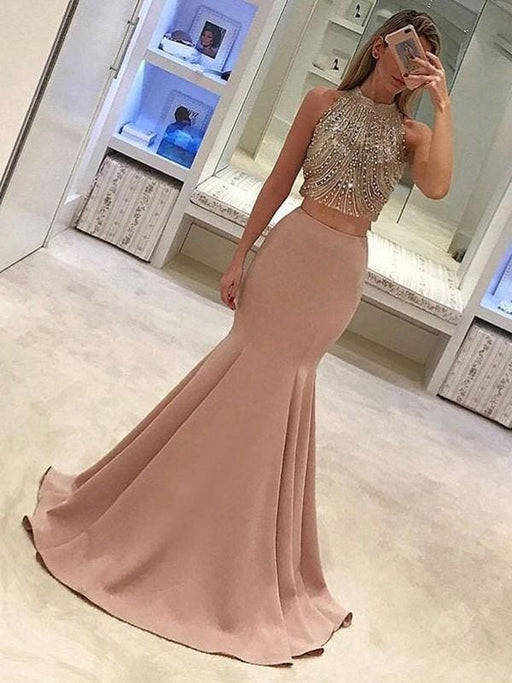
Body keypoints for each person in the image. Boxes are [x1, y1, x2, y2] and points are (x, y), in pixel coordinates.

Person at [22, 9, 453, 668]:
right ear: (378, 46)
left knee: (284, 394)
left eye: (420, 61)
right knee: (237, 377)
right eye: (402, 50)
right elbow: (279, 182)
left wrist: (442, 107)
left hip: (339, 275)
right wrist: (239, 254)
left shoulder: (412, 133)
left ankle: (241, 547)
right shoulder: (322, 102)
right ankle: (167, 509)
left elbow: (438, 186)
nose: (406, 67)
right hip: (291, 252)